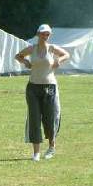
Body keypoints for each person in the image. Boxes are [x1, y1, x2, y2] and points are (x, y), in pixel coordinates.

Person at [15, 24, 70, 161]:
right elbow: (18, 56)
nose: (46, 36)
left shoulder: (52, 48)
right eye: (44, 34)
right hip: (33, 87)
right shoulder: (32, 48)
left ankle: (51, 147)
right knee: (34, 118)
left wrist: (59, 60)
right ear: (38, 34)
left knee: (50, 117)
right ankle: (36, 153)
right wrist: (25, 62)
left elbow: (66, 54)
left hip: (49, 87)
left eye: (48, 34)